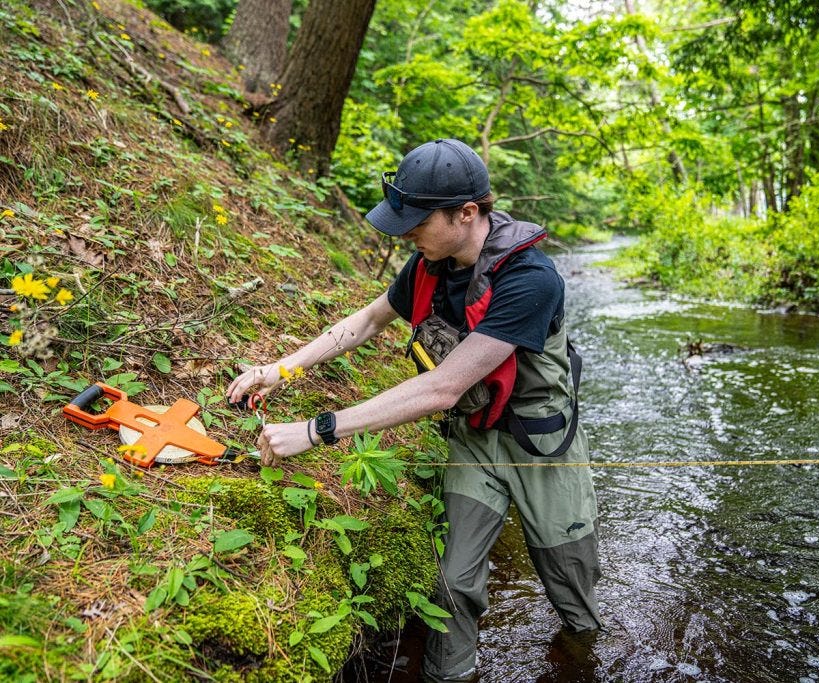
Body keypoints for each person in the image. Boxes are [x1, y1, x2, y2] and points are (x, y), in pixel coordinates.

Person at [227, 138, 602, 682]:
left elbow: (442, 388)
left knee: (571, 588)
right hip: (473, 438)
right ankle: (448, 676)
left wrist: (318, 429)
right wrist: (281, 369)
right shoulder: (429, 261)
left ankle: (581, 658)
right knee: (452, 581)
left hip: (541, 446)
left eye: (417, 222)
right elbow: (370, 320)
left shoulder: (530, 280)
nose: (405, 234)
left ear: (466, 213)